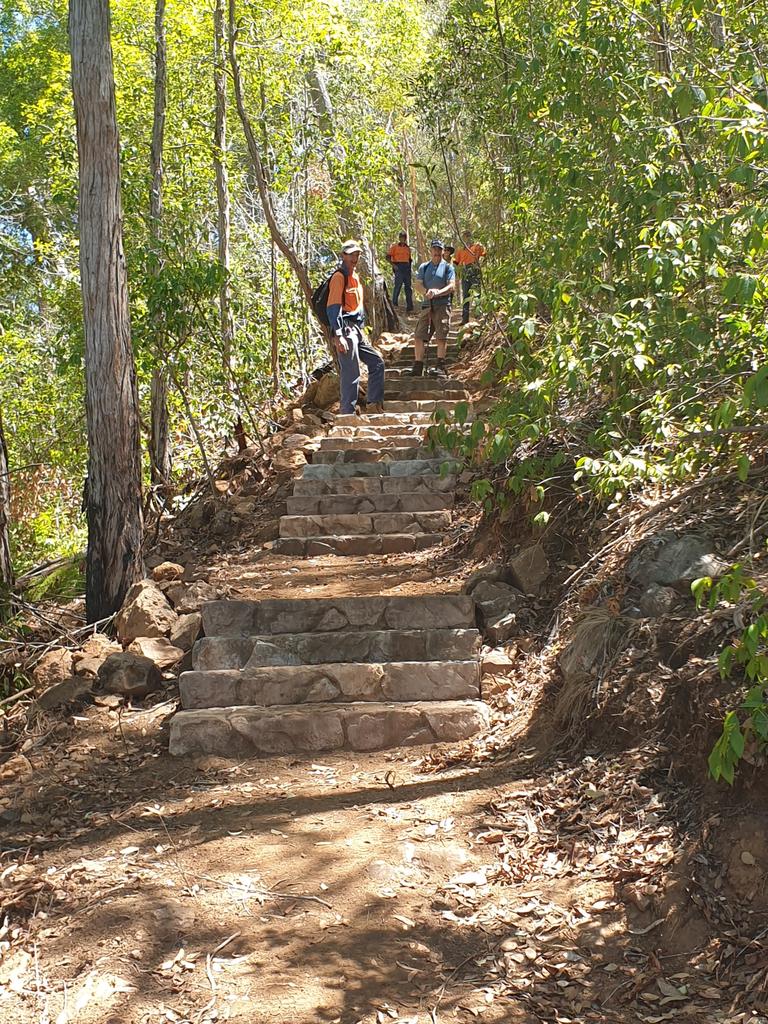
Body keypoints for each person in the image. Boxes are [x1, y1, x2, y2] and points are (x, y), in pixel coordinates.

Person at [326, 240, 386, 415]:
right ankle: (347, 413)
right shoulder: (339, 278)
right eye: (351, 254)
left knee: (377, 363)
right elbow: (333, 308)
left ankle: (374, 404)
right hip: (345, 330)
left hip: (356, 330)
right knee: (351, 372)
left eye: (357, 254)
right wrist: (338, 336)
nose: (354, 258)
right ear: (343, 255)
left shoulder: (355, 277)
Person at [410, 239, 456, 379]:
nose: (436, 252)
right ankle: (418, 365)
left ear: (443, 251)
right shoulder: (424, 267)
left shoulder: (448, 267)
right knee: (419, 334)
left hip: (442, 304)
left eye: (439, 249)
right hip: (427, 305)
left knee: (441, 335)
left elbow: (452, 285)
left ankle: (440, 365)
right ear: (430, 250)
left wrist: (438, 292)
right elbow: (417, 284)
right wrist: (427, 292)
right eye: (434, 249)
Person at [454, 233, 487, 324]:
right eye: (465, 236)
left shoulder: (477, 247)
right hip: (465, 272)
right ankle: (465, 319)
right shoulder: (460, 250)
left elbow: (484, 256)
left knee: (477, 294)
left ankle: (478, 316)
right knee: (465, 295)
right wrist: (458, 273)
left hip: (474, 270)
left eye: (468, 236)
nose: (467, 238)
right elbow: (456, 262)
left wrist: (480, 265)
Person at [386, 231, 414, 312]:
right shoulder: (394, 247)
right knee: (398, 285)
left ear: (405, 239)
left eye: (404, 238)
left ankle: (410, 306)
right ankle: (394, 304)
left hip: (407, 267)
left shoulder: (407, 248)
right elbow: (388, 257)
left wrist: (409, 268)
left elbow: (409, 259)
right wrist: (393, 265)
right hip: (398, 266)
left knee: (408, 287)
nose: (402, 239)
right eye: (401, 237)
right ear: (399, 238)